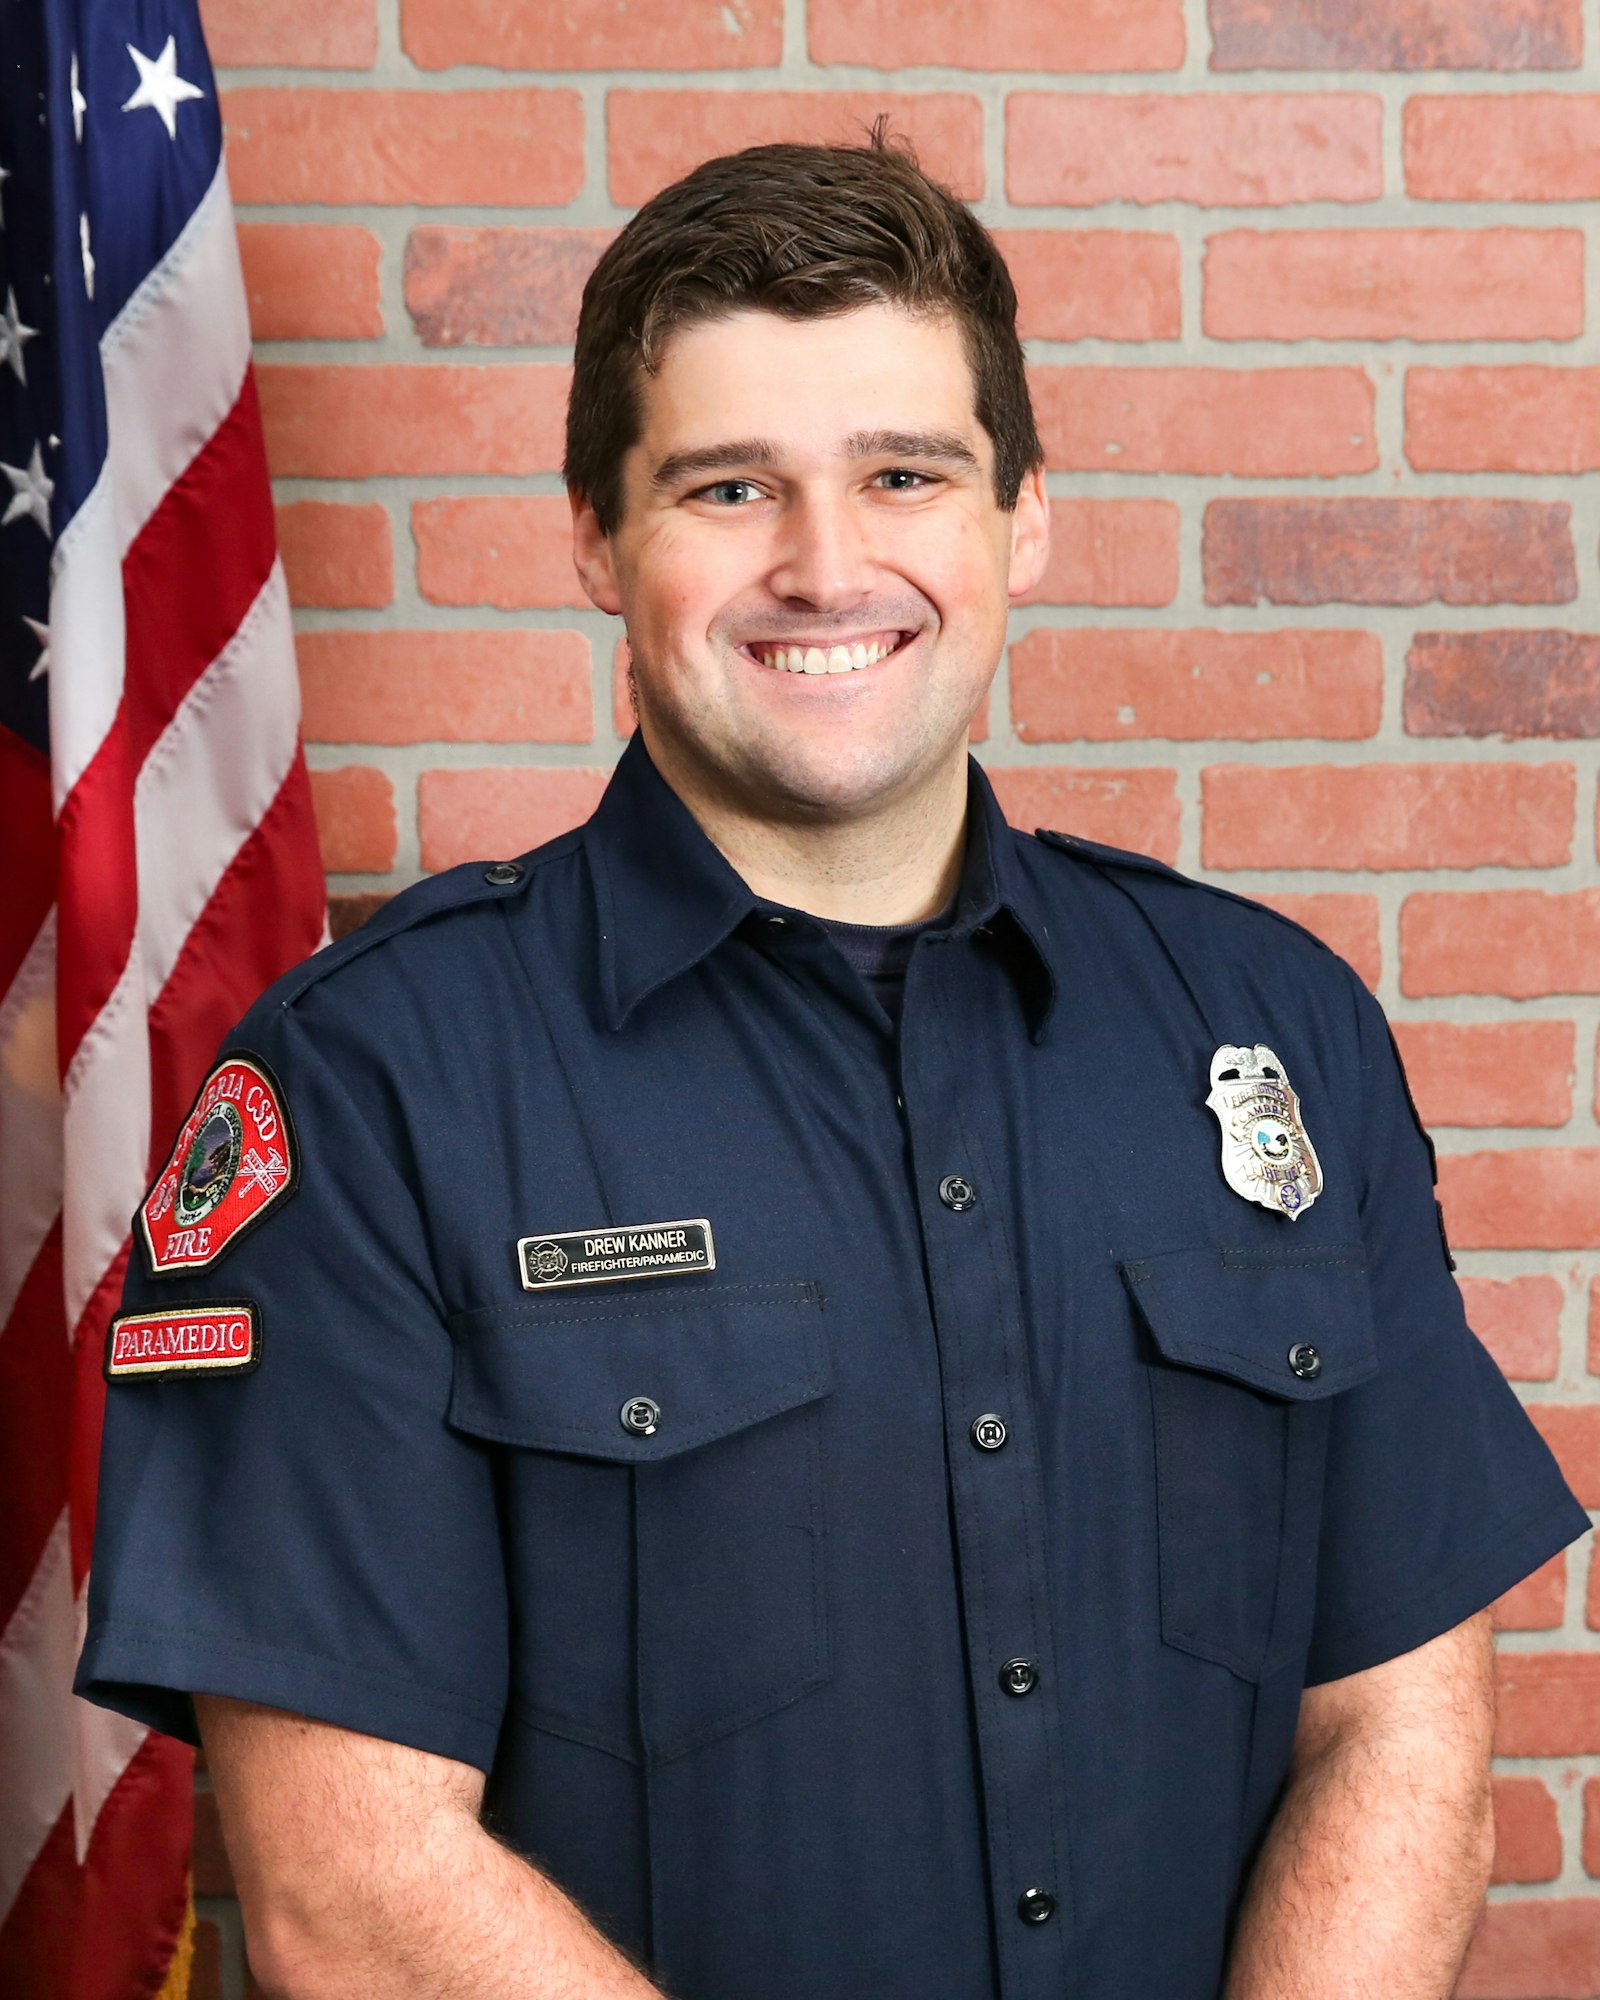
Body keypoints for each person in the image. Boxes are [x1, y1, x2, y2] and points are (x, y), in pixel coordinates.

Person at [78, 134, 1588, 2000]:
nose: (825, 564)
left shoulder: (1272, 1031)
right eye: (728, 486)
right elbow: (356, 1889)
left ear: (1021, 515)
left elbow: (1402, 1732)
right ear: (594, 536)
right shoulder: (377, 1090)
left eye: (904, 474)